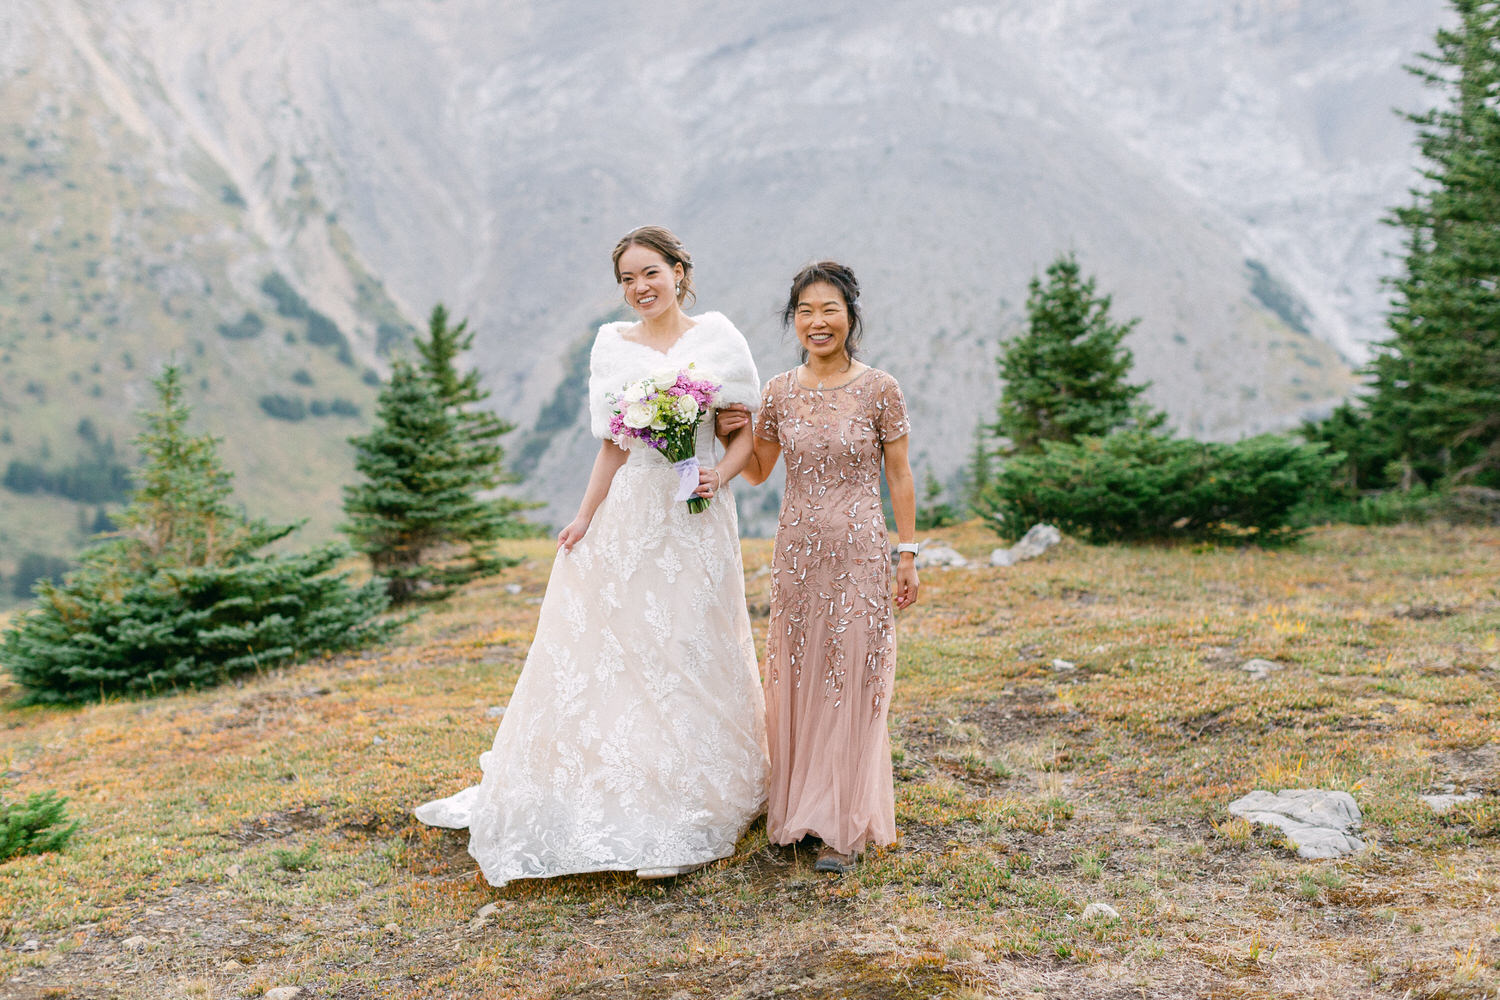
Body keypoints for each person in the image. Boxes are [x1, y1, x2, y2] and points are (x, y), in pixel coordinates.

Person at [414, 226, 769, 885]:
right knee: (630, 646)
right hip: (633, 508)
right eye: (627, 279)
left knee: (691, 641)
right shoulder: (611, 346)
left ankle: (697, 782)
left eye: (650, 273)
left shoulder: (718, 337)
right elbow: (611, 445)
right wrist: (583, 517)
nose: (640, 288)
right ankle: (629, 781)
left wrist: (721, 477)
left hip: (697, 509)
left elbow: (743, 434)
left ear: (679, 271)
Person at [716, 260, 919, 874]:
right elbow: (757, 471)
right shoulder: (778, 391)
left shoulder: (879, 387)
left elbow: (900, 475)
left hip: (859, 552)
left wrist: (906, 554)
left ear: (851, 316)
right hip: (797, 555)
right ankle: (803, 809)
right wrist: (736, 434)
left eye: (828, 309)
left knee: (852, 675)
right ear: (793, 321)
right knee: (802, 675)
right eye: (804, 311)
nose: (816, 321)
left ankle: (844, 823)